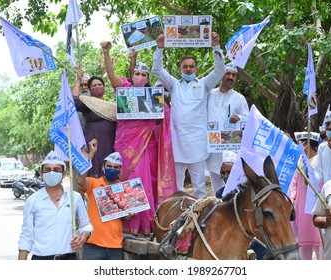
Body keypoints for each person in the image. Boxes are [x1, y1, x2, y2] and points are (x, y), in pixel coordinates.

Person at [102, 41, 177, 236]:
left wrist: (163, 110)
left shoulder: (154, 97)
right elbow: (111, 76)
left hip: (147, 145)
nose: (140, 77)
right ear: (132, 76)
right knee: (127, 179)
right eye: (137, 73)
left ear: (148, 78)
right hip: (125, 143)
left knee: (145, 181)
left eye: (144, 75)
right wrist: (106, 53)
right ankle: (126, 223)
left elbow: (161, 124)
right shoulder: (124, 90)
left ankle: (146, 225)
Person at [152, 32, 225, 198]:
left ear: (196, 69)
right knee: (177, 190)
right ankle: (178, 221)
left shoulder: (204, 84)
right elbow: (157, 70)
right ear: (180, 69)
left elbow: (220, 70)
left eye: (191, 66)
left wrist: (216, 46)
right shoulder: (173, 85)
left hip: (197, 145)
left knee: (199, 189)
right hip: (177, 144)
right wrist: (159, 49)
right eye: (185, 66)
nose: (188, 69)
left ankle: (200, 221)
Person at [18, 151, 93, 260]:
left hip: (69, 259)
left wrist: (83, 237)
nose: (52, 173)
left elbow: (86, 225)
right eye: (48, 170)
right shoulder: (32, 201)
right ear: (41, 174)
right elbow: (26, 236)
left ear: (64, 174)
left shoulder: (74, 198)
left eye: (57, 170)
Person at [76, 142, 131, 260]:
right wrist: (90, 156)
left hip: (116, 246)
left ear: (120, 170)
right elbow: (80, 181)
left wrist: (130, 214)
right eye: (109, 166)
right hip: (93, 245)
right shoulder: (93, 183)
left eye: (116, 167)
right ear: (103, 167)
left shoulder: (125, 189)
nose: (112, 169)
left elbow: (125, 214)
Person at [215, 150, 268, 260]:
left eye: (229, 172)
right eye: (223, 173)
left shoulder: (250, 192)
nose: (226, 176)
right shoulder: (220, 194)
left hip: (252, 234)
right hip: (230, 236)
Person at [206, 62, 249, 195]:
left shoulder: (239, 98)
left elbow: (248, 120)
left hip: (231, 150)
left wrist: (239, 118)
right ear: (221, 75)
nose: (230, 77)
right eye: (228, 73)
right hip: (213, 148)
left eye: (234, 75)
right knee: (216, 188)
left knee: (234, 188)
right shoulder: (209, 94)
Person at [72, 70, 117, 179]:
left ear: (104, 88)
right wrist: (78, 80)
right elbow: (73, 100)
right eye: (94, 85)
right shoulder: (87, 102)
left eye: (99, 84)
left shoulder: (113, 107)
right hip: (93, 143)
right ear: (90, 90)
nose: (97, 86)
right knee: (94, 170)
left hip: (110, 142)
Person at [289, 131, 323, 260]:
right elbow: (294, 181)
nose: (300, 146)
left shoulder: (320, 159)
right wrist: (292, 197)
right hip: (302, 206)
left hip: (316, 202)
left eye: (302, 143)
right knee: (303, 243)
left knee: (320, 241)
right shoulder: (300, 161)